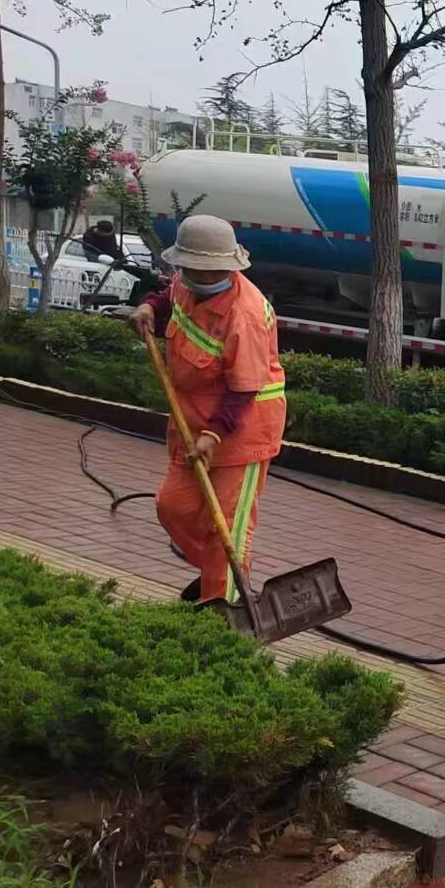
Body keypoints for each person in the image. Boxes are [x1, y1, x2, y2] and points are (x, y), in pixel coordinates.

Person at [129, 216, 285, 605]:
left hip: (242, 431)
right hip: (192, 422)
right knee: (173, 507)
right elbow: (170, 295)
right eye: (189, 267)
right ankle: (224, 569)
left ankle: (224, 614)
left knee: (227, 529)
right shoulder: (187, 283)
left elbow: (244, 388)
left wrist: (213, 435)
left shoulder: (245, 314)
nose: (193, 274)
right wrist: (149, 306)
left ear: (225, 266)